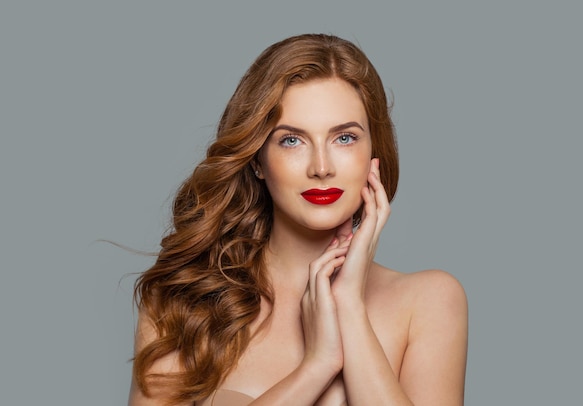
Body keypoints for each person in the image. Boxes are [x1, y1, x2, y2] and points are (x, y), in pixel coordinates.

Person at [129, 33, 468, 406]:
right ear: (257, 160)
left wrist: (350, 307)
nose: (321, 168)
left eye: (344, 138)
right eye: (291, 140)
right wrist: (317, 366)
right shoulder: (183, 300)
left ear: (375, 150)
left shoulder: (430, 302)